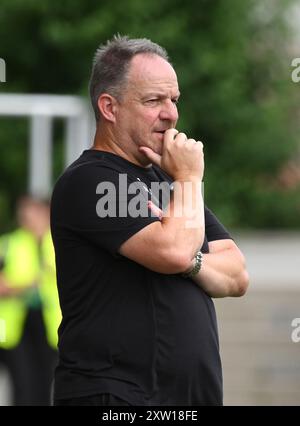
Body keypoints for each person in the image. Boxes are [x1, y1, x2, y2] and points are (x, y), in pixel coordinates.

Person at [51, 35, 249, 406]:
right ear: (109, 107)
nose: (171, 114)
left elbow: (237, 274)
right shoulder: (92, 180)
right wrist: (190, 180)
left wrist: (192, 260)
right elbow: (174, 250)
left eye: (173, 100)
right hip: (119, 399)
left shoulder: (167, 182)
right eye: (154, 100)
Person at [0, 196, 60, 405]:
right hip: (17, 326)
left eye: (34, 213)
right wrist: (25, 284)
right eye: (24, 214)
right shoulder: (10, 243)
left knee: (46, 384)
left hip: (52, 326)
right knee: (23, 385)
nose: (28, 219)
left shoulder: (60, 241)